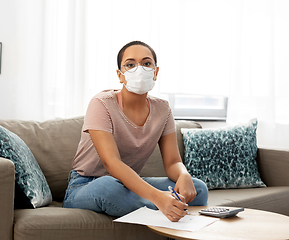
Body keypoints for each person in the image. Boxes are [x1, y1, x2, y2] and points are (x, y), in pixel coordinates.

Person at [63, 40, 208, 222]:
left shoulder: (162, 109)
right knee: (109, 187)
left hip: (129, 185)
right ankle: (166, 208)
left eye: (147, 63)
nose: (139, 69)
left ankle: (162, 208)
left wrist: (183, 175)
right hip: (87, 185)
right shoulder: (101, 103)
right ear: (120, 75)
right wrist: (158, 197)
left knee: (198, 188)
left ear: (155, 72)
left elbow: (172, 162)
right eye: (130, 65)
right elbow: (111, 163)